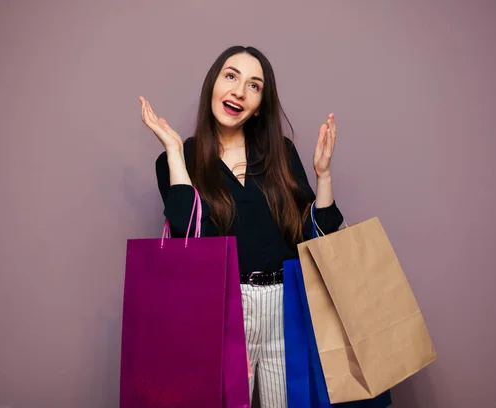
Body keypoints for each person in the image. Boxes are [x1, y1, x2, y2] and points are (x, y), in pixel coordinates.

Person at [140, 45, 384, 407]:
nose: (239, 90)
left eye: (254, 85)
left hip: (285, 307)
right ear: (213, 84)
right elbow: (186, 242)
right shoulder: (179, 159)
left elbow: (315, 236)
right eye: (231, 76)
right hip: (222, 309)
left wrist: (324, 176)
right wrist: (176, 153)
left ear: (260, 105)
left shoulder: (280, 154)